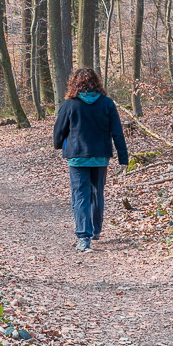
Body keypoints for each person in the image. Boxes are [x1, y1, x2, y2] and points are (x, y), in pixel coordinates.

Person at [53, 67, 129, 252]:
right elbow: (117, 132)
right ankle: (95, 230)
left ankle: (83, 237)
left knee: (80, 196)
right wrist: (123, 157)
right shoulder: (107, 103)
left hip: (78, 157)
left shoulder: (69, 105)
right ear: (97, 82)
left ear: (75, 83)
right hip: (100, 157)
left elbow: (59, 131)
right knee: (97, 193)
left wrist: (58, 144)